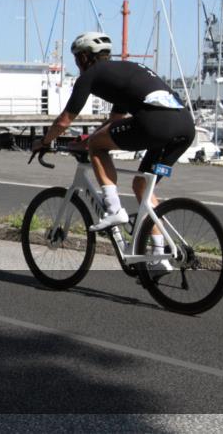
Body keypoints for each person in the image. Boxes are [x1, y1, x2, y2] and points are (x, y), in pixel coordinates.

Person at [32, 32, 195, 271]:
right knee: (142, 186)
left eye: (77, 60)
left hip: (155, 123)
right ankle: (159, 255)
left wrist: (44, 142)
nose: (77, 65)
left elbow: (65, 120)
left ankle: (113, 209)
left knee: (97, 147)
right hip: (185, 127)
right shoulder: (125, 71)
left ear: (86, 58)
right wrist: (88, 137)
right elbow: (115, 121)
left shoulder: (90, 76)